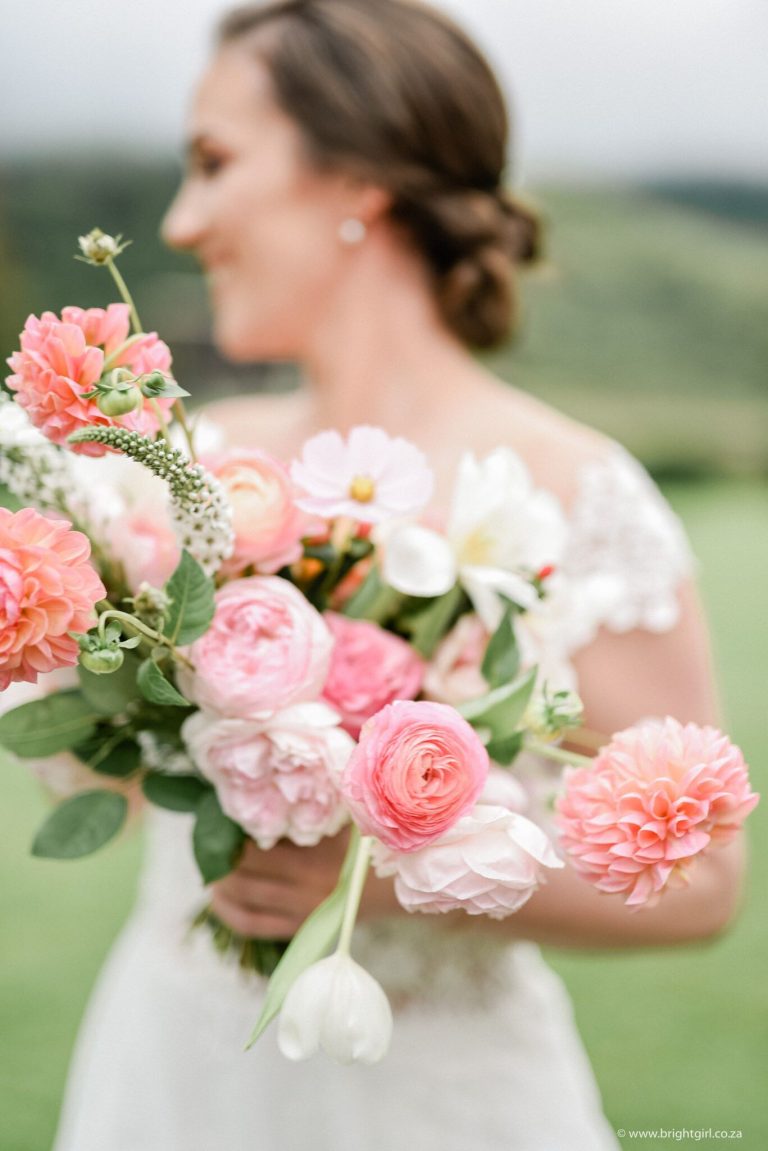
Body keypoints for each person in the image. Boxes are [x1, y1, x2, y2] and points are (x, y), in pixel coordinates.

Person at [53, 2, 745, 1148]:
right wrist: (76, 661)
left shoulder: (578, 491)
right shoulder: (189, 469)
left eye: (216, 163)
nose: (181, 221)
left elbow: (704, 882)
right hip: (173, 1068)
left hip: (439, 1096)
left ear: (358, 179)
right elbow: (98, 790)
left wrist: (383, 875)